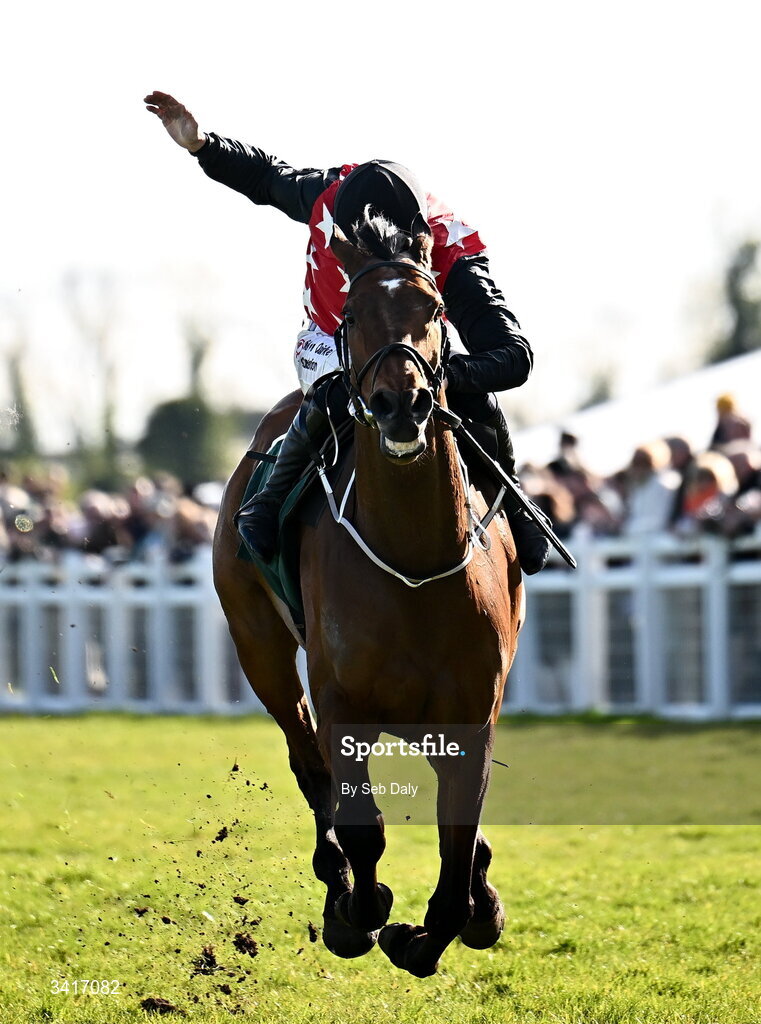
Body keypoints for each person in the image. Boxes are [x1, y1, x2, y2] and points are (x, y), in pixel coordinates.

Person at [144, 91, 551, 573]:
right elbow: (264, 176)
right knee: (340, 387)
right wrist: (203, 145)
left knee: (475, 396)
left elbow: (514, 356)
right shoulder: (328, 192)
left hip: (416, 345)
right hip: (332, 334)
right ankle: (269, 501)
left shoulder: (452, 249)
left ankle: (515, 498)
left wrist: (444, 376)